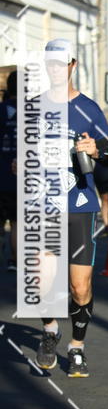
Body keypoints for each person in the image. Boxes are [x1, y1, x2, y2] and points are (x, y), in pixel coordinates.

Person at [35, 39, 108, 378]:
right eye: (50, 64)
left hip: (79, 204)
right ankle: (51, 330)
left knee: (79, 286)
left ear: (72, 66)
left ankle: (77, 346)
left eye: (61, 64)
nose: (56, 69)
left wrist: (96, 151)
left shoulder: (88, 109)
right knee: (41, 282)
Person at [0, 71, 17, 270]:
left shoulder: (2, 109)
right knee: (16, 222)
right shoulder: (33, 111)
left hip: (1, 171)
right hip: (20, 178)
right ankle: (15, 260)